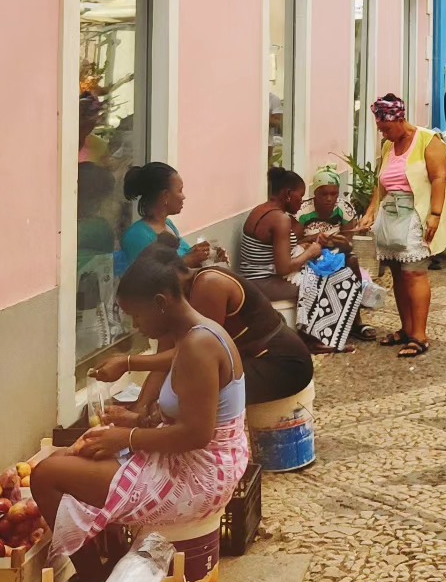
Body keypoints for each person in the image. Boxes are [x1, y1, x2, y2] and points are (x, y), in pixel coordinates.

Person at [33, 253, 250, 560]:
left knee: (46, 476)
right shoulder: (197, 335)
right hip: (202, 461)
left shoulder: (198, 346)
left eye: (137, 316)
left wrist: (128, 437)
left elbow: (197, 434)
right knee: (72, 457)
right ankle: (113, 558)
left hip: (200, 477)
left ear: (161, 303)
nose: (136, 326)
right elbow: (186, 405)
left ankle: (94, 576)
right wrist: (135, 420)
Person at [93, 247, 315, 405]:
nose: (136, 323)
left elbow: (193, 355)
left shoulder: (209, 285)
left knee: (191, 387)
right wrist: (140, 409)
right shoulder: (170, 305)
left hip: (280, 363)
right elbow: (162, 363)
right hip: (249, 360)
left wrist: (128, 363)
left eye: (138, 315)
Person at [354, 95, 446, 358]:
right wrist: (371, 211)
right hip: (391, 213)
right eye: (380, 129)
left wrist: (435, 214)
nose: (383, 134)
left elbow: (440, 177)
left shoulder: (428, 140)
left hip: (415, 212)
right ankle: (406, 329)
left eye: (386, 128)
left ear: (399, 120)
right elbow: (381, 183)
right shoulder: (389, 145)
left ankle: (420, 335)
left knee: (414, 272)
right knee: (397, 272)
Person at [236, 168, 325, 302]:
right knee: (328, 283)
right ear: (288, 193)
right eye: (300, 196)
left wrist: (305, 242)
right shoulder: (280, 219)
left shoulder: (260, 209)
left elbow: (271, 248)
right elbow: (283, 268)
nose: (301, 201)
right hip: (263, 284)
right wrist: (310, 252)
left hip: (250, 280)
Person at [119, 163, 213, 271]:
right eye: (180, 190)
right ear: (165, 196)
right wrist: (187, 261)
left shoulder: (168, 225)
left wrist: (203, 254)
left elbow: (180, 256)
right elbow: (149, 277)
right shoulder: (137, 235)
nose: (183, 197)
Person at [297, 166, 353, 233]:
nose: (329, 199)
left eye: (333, 194)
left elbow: (348, 237)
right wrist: (314, 237)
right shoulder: (301, 210)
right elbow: (294, 239)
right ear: (315, 193)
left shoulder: (345, 208)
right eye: (324, 194)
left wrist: (337, 239)